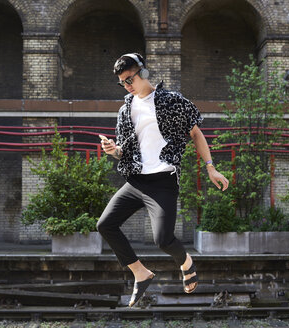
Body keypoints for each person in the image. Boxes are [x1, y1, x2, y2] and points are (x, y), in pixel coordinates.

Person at [97, 53, 229, 307]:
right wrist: (114, 150)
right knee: (105, 224)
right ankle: (140, 272)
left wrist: (211, 168)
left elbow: (196, 133)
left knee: (163, 239)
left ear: (143, 73)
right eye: (122, 83)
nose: (127, 86)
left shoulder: (172, 101)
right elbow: (126, 149)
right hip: (136, 181)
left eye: (130, 79)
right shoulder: (126, 109)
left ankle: (186, 261)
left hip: (162, 182)